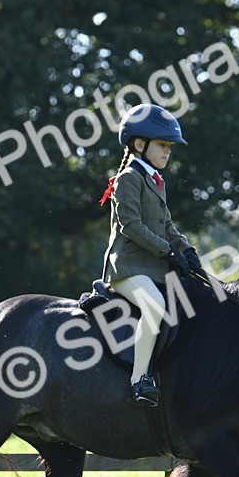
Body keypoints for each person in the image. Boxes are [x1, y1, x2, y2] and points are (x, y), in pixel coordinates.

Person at [99, 103, 203, 407]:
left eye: (169, 146)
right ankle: (139, 381)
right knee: (155, 305)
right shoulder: (127, 179)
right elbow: (131, 226)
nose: (168, 151)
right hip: (126, 269)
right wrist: (167, 250)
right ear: (139, 145)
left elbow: (167, 225)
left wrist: (187, 250)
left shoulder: (156, 180)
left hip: (152, 269)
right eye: (162, 145)